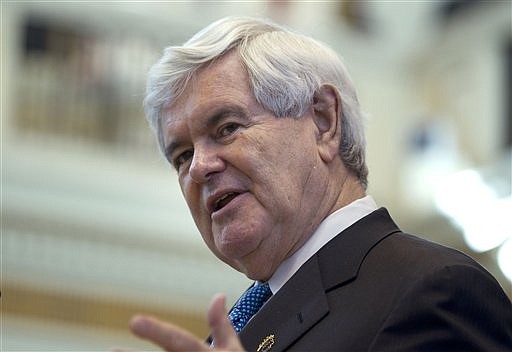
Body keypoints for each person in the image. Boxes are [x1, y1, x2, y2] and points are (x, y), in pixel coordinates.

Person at [128, 16, 512, 351]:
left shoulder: (435, 292)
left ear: (324, 121)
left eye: (227, 128)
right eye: (181, 156)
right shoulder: (244, 321)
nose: (198, 168)